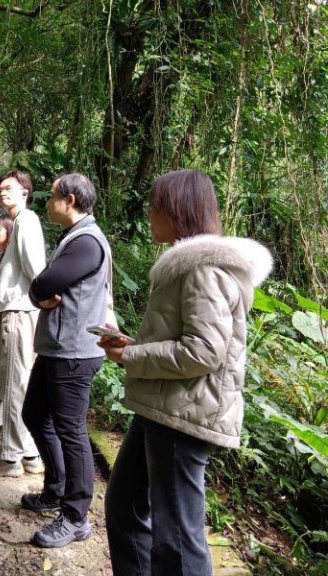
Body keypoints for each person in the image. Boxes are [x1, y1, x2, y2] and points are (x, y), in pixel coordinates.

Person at [98, 170, 272, 575]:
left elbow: (204, 351)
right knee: (125, 505)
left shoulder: (202, 270)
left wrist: (132, 358)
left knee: (177, 538)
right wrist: (132, 348)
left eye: (155, 205)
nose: (149, 213)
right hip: (165, 409)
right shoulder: (191, 266)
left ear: (176, 211)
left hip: (184, 417)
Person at [20, 173, 114, 548]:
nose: (47, 202)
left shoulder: (87, 243)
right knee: (34, 415)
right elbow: (44, 288)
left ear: (70, 200)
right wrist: (40, 295)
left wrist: (39, 294)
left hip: (74, 354)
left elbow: (42, 284)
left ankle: (76, 516)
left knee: (71, 431)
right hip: (59, 350)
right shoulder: (76, 238)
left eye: (52, 196)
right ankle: (56, 489)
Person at [0, 170, 46, 478]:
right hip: (18, 312)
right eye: (0, 188)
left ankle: (7, 458)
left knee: (7, 385)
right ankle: (29, 453)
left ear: (25, 193)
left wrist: (45, 298)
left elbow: (35, 270)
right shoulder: (19, 223)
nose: (2, 192)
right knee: (17, 383)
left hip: (18, 314)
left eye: (10, 188)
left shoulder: (26, 221)